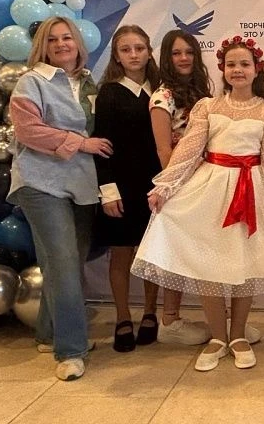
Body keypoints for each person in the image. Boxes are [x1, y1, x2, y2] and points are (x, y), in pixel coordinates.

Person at [132, 36, 264, 372]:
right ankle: (218, 337)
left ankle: (238, 335)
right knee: (209, 265)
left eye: (245, 64)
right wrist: (165, 186)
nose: (238, 70)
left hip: (250, 193)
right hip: (210, 191)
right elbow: (188, 150)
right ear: (222, 69)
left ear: (256, 69)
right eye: (231, 64)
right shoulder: (208, 107)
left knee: (244, 264)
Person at [8, 16, 113, 381]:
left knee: (65, 262)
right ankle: (71, 350)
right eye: (52, 40)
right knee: (65, 261)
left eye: (66, 37)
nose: (61, 44)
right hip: (40, 182)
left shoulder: (88, 82)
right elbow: (27, 130)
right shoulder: (31, 81)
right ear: (43, 46)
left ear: (77, 43)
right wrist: (80, 143)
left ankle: (48, 332)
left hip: (81, 184)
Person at [93, 26, 161, 352]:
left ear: (149, 51)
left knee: (151, 254)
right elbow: (102, 146)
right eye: (126, 49)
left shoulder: (160, 91)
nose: (133, 54)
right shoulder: (108, 93)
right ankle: (122, 317)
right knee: (121, 254)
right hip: (121, 187)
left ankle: (150, 313)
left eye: (139, 48)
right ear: (117, 56)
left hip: (155, 185)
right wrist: (108, 190)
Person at [147, 30, 214, 345]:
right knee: (177, 252)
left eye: (189, 52)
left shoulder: (203, 91)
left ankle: (219, 320)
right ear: (166, 58)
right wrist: (174, 187)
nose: (184, 58)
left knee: (205, 252)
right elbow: (164, 149)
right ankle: (170, 320)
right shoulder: (162, 97)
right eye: (176, 53)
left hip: (208, 181)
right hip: (181, 186)